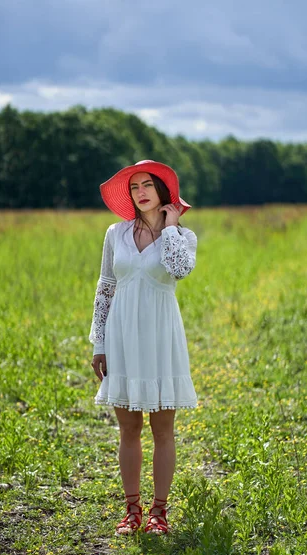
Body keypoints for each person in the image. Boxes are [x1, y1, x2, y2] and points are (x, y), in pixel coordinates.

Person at [89, 159, 198, 535]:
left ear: (163, 192)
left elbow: (179, 269)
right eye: (135, 186)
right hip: (121, 336)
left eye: (148, 184)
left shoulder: (184, 237)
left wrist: (169, 227)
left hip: (161, 336)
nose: (141, 192)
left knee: (163, 428)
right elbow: (105, 288)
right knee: (128, 428)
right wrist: (98, 342)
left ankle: (159, 513)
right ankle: (132, 511)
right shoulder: (114, 234)